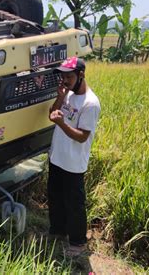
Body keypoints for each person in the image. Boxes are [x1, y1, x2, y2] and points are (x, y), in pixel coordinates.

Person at [47, 56, 101, 256]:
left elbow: (82, 137)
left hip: (73, 163)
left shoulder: (90, 103)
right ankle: (58, 232)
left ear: (81, 75)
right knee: (55, 197)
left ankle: (77, 242)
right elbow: (52, 114)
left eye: (68, 76)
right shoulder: (67, 94)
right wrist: (60, 97)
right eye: (62, 76)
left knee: (74, 204)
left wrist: (61, 124)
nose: (64, 80)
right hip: (57, 157)